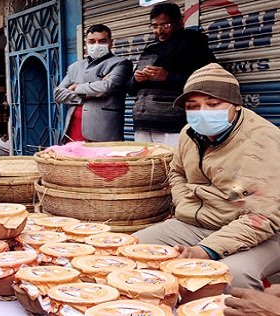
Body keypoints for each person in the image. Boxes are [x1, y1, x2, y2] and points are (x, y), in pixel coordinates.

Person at [133, 63, 280, 291]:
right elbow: (177, 172)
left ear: (236, 106)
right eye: (193, 106)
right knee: (134, 250)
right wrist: (185, 203)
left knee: (232, 277)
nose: (202, 112)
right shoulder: (188, 134)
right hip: (199, 222)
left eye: (213, 104)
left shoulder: (263, 141)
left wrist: (205, 250)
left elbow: (262, 216)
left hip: (264, 231)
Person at [130, 2, 216, 146]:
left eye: (165, 25)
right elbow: (131, 89)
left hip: (174, 126)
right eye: (155, 26)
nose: (159, 31)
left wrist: (168, 77)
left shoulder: (193, 45)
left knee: (174, 166)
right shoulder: (150, 49)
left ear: (180, 23)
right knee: (146, 167)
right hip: (143, 124)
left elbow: (206, 82)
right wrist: (137, 80)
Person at [54, 24, 133, 142]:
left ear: (111, 42)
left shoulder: (121, 63)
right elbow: (58, 94)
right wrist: (86, 94)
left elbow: (107, 87)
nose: (96, 45)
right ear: (86, 43)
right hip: (73, 129)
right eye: (92, 41)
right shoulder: (75, 67)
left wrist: (76, 87)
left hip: (104, 131)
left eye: (102, 41)